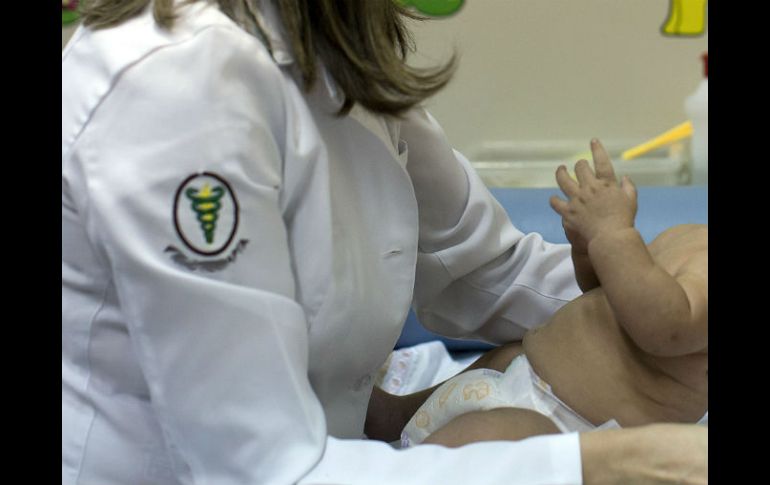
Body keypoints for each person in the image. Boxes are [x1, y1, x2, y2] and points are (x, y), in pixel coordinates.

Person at [62, 1, 707, 484]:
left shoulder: (333, 48)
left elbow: (486, 269)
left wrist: (660, 307)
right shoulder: (176, 87)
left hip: (342, 443)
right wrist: (609, 462)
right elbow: (258, 467)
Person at [375, 139, 707, 448]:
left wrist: (613, 235)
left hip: (570, 423)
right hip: (524, 373)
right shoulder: (689, 236)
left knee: (496, 433)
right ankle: (401, 416)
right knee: (505, 354)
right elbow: (615, 300)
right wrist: (590, 251)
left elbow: (666, 329)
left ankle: (415, 469)